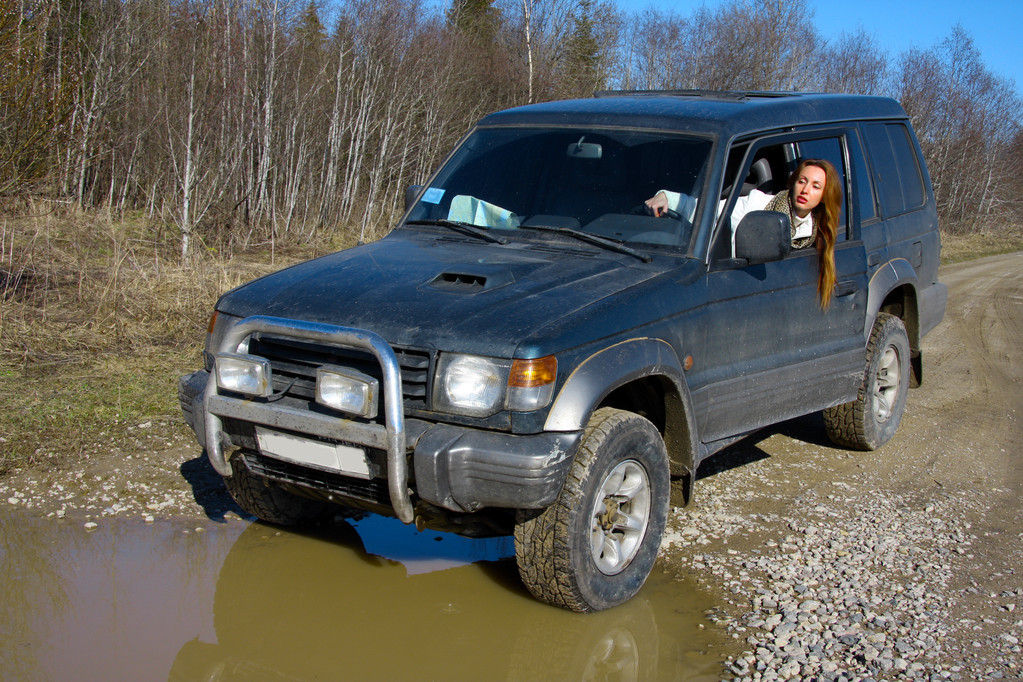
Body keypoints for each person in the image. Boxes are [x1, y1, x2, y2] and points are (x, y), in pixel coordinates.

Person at [645, 158, 841, 309]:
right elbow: (710, 212)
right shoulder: (757, 203)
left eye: (815, 186)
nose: (805, 190)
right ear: (793, 183)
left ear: (824, 196)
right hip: (738, 286)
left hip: (777, 300)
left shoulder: (818, 232)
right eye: (802, 181)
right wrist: (668, 197)